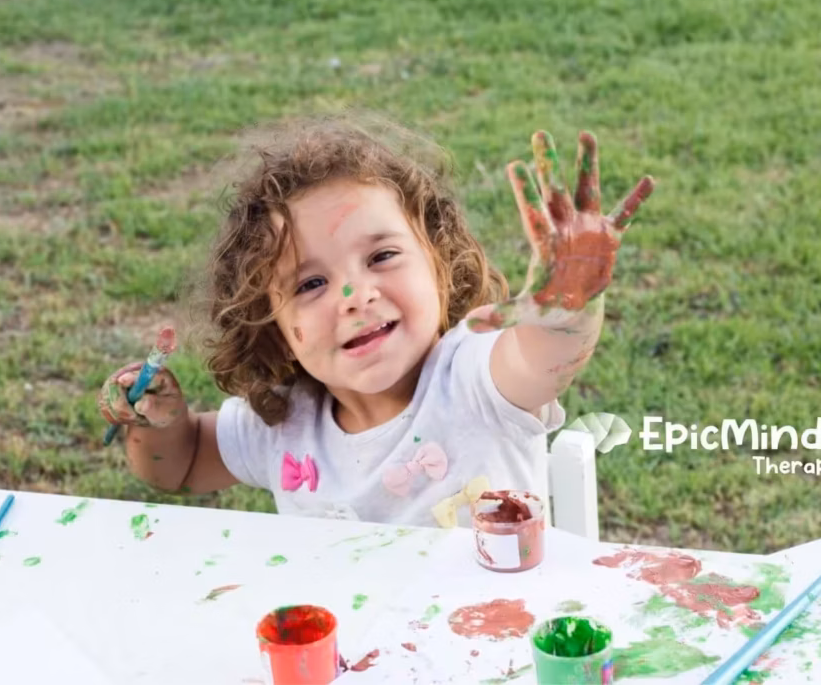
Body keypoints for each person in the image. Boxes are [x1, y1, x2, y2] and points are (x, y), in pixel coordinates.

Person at [98, 114, 654, 528]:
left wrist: (567, 305)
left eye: (382, 257)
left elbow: (542, 357)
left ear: (439, 263)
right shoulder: (284, 422)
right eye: (311, 284)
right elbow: (182, 464)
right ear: (269, 322)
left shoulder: (474, 377)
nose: (355, 295)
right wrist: (159, 424)